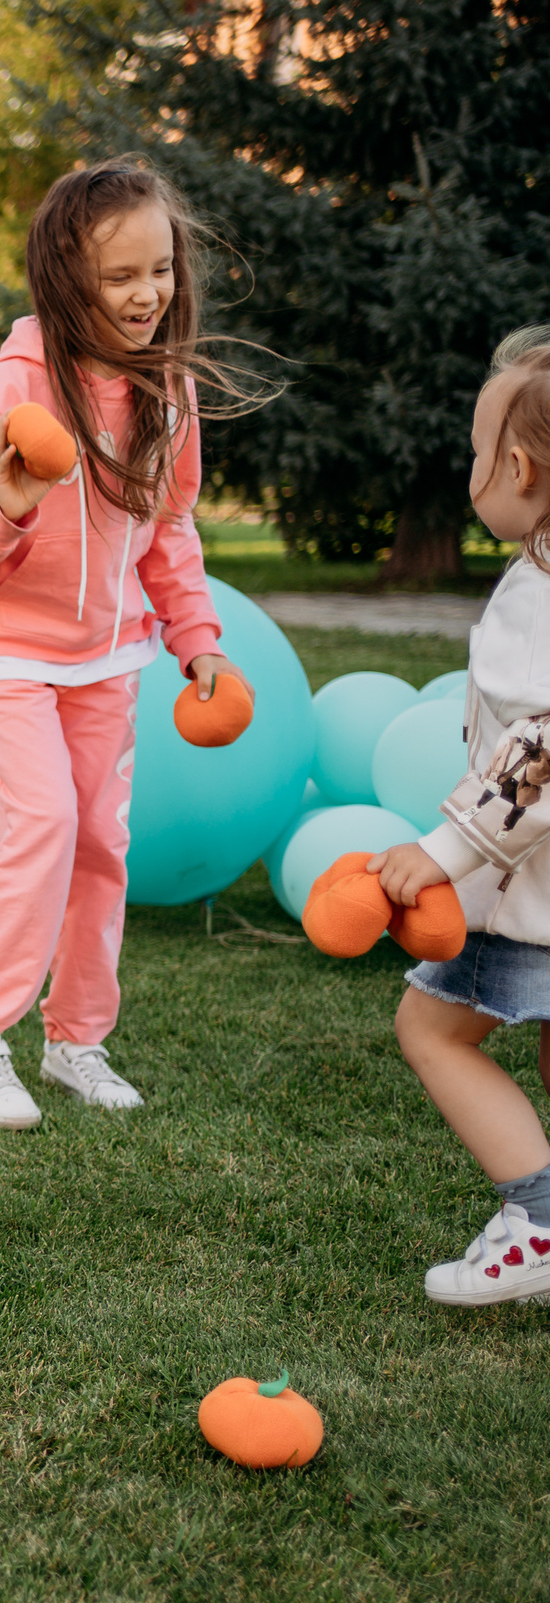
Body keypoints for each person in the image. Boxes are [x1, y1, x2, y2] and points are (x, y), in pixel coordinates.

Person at [0, 159, 242, 1131]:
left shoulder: (163, 389)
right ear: (65, 276)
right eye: (119, 277)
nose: (147, 295)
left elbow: (166, 528)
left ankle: (75, 1041)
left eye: (160, 270)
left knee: (101, 845)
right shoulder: (17, 382)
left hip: (109, 653)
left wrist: (196, 639)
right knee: (44, 826)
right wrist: (6, 507)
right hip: (6, 645)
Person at [366, 327, 550, 1307]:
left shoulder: (543, 596)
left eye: (477, 456)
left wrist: (443, 851)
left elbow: (538, 756)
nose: (472, 473)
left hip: (535, 894)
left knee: (431, 1031)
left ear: (515, 467)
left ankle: (539, 1221)